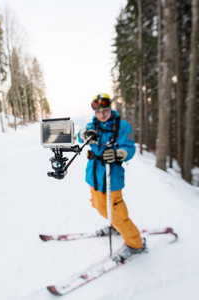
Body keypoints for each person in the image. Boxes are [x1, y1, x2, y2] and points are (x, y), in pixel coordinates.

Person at [78, 93, 146, 262]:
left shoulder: (122, 126)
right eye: (98, 112)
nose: (102, 115)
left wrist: (119, 153)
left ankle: (135, 244)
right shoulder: (92, 125)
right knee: (99, 205)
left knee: (116, 211)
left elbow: (129, 149)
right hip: (94, 174)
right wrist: (83, 134)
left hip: (112, 176)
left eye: (105, 111)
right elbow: (80, 135)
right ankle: (115, 226)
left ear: (110, 109)